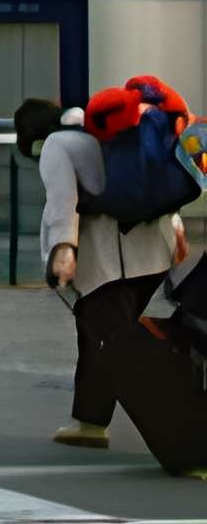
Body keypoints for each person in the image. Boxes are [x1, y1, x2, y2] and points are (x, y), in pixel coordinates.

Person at [17, 91, 192, 449]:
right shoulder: (103, 133)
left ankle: (180, 435)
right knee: (97, 342)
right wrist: (176, 232)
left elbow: (63, 202)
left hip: (109, 268)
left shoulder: (57, 145)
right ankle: (90, 423)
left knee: (121, 350)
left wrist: (63, 251)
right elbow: (145, 181)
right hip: (151, 259)